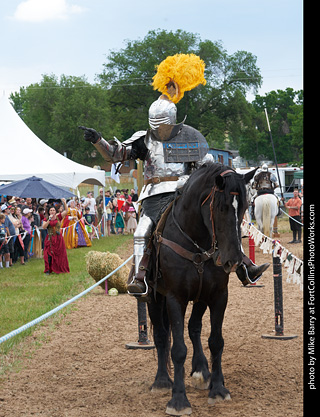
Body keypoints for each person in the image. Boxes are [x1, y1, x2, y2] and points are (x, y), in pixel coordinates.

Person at [80, 53, 269, 295]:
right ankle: (140, 277)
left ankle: (243, 265)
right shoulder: (144, 139)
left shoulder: (190, 137)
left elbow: (207, 165)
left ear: (174, 121)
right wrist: (98, 140)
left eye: (164, 126)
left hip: (186, 193)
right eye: (156, 126)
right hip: (154, 196)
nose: (161, 131)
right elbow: (118, 154)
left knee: (219, 224)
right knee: (141, 232)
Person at [42, 198, 70, 274]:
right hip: (50, 238)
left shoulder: (59, 217)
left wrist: (64, 203)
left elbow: (66, 211)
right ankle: (48, 269)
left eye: (53, 210)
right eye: (51, 210)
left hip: (58, 238)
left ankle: (59, 268)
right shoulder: (46, 218)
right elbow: (44, 227)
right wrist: (49, 220)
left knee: (59, 254)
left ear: (55, 211)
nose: (52, 211)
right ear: (49, 211)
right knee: (48, 253)